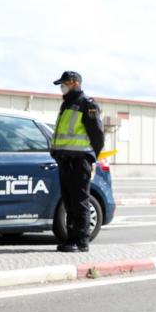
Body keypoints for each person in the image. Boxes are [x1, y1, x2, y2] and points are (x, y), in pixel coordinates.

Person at [50, 71, 104, 252]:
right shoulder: (67, 103)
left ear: (74, 83)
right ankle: (71, 239)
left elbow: (97, 134)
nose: (61, 87)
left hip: (80, 160)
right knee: (69, 201)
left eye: (63, 84)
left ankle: (81, 241)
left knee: (80, 201)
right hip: (65, 160)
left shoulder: (86, 104)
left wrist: (91, 157)